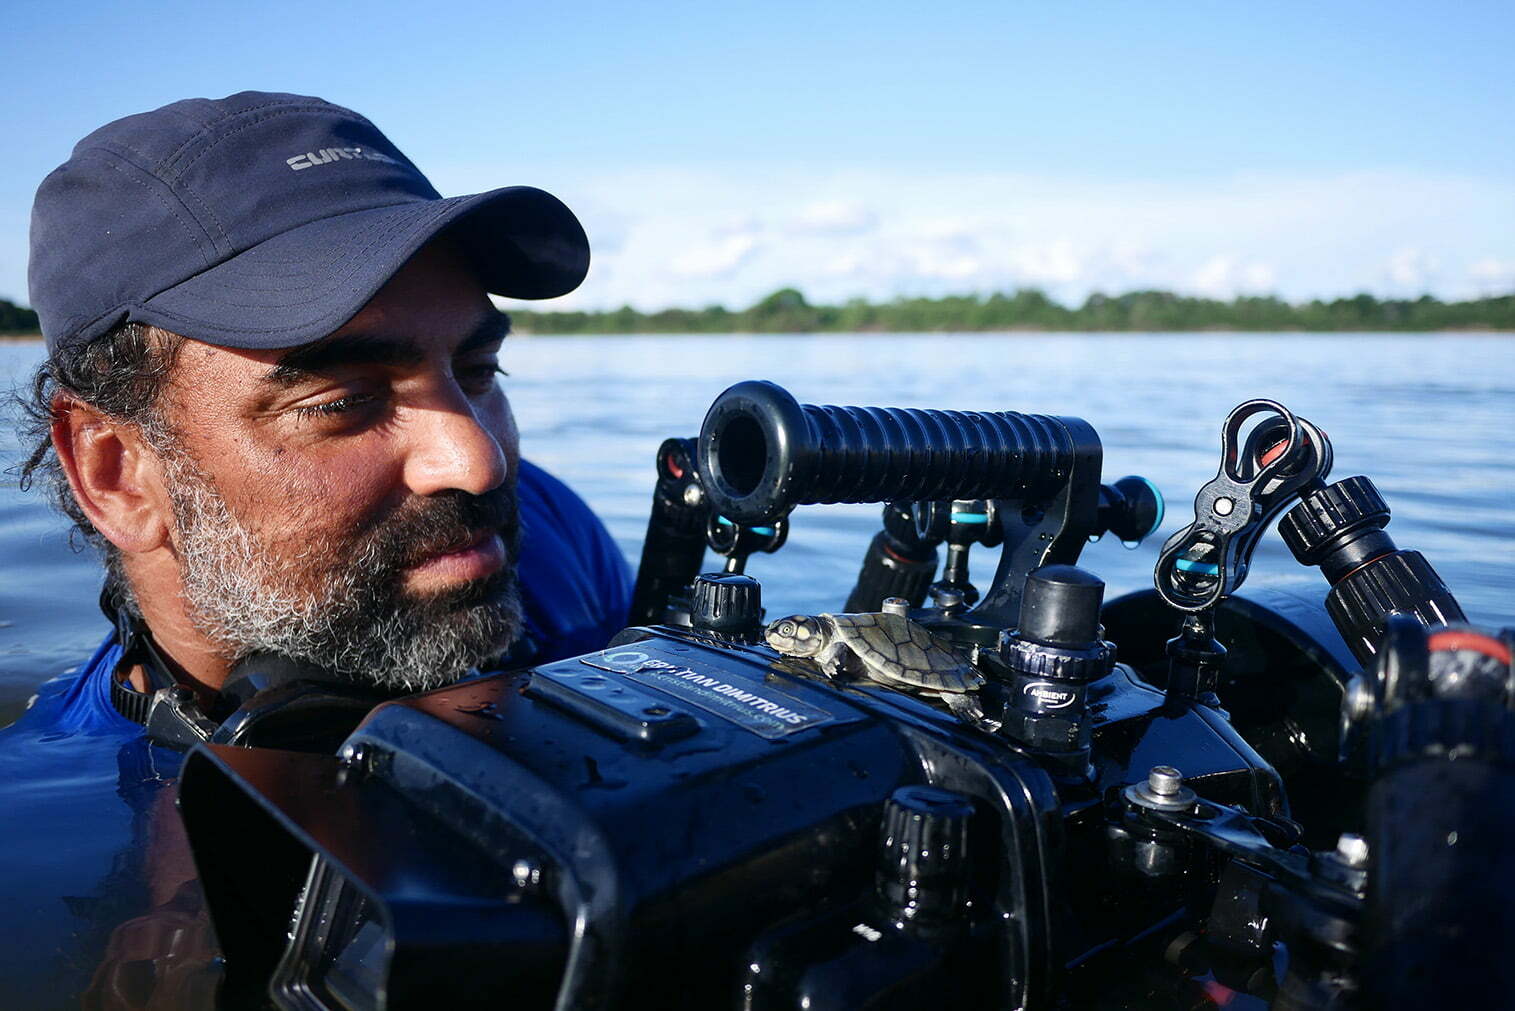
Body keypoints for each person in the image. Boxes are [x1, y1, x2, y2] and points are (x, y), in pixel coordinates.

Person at [0, 91, 631, 1004]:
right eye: (339, 401)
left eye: (478, 371)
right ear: (116, 473)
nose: (478, 457)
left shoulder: (554, 536)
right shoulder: (52, 806)